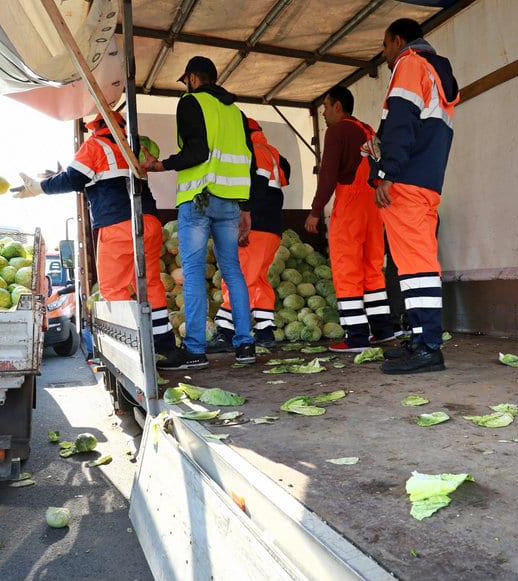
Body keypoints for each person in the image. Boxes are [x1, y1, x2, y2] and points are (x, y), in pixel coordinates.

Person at [14, 111, 175, 356]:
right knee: (150, 282)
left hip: (119, 224)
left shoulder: (96, 144)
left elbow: (74, 179)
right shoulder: (133, 145)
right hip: (149, 221)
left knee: (113, 288)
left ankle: (134, 351)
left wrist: (39, 188)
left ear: (96, 126)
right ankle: (164, 345)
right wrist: (58, 177)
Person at [142, 56, 257, 370]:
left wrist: (159, 165)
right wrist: (246, 208)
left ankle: (194, 349)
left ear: (193, 78)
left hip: (200, 198)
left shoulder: (191, 102)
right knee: (233, 273)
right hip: (230, 201)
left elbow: (197, 153)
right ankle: (245, 344)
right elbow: (250, 161)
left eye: (185, 81)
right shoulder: (236, 112)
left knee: (192, 275)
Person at [372, 18, 459, 374]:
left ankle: (427, 347)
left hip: (406, 182)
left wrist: (386, 173)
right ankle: (421, 338)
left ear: (397, 40)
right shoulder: (437, 74)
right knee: (416, 265)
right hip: (426, 180)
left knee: (416, 268)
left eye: (385, 45)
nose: (385, 54)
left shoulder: (410, 64)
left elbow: (402, 122)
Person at [304, 85, 397, 353]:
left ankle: (356, 336)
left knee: (347, 268)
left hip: (351, 206)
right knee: (372, 268)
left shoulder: (337, 131)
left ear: (338, 106)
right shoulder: (367, 130)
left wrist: (315, 209)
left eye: (325, 106)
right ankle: (382, 330)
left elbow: (328, 173)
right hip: (375, 206)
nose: (322, 112)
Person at [208, 118, 290, 351]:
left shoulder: (248, 151)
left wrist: (242, 218)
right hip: (273, 230)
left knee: (237, 278)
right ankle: (265, 331)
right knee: (258, 279)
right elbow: (284, 178)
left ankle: (225, 332)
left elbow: (253, 189)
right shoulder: (274, 154)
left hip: (253, 226)